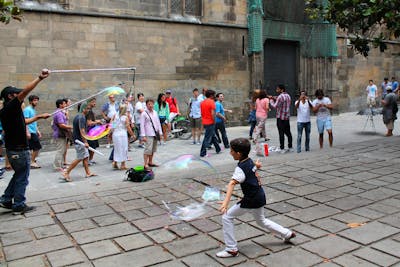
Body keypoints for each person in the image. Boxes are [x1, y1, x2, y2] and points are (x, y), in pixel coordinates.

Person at [216, 138, 296, 258]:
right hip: (259, 196)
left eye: (232, 151)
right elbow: (251, 167)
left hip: (251, 200)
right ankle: (287, 233)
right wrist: (257, 166)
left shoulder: (240, 168)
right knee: (261, 221)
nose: (230, 153)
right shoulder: (248, 160)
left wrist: (226, 203)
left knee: (227, 217)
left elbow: (232, 183)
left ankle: (231, 249)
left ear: (239, 154)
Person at [0, 69, 50, 214]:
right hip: (19, 149)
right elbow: (26, 92)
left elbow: (24, 122)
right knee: (23, 177)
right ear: (10, 96)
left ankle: (6, 199)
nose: (20, 95)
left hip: (14, 149)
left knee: (19, 174)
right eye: (17, 94)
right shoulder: (11, 106)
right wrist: (40, 78)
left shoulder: (10, 111)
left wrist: (39, 117)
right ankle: (19, 205)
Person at [62, 103, 96, 182]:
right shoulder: (82, 118)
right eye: (87, 109)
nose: (88, 110)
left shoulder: (78, 116)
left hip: (78, 140)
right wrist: (85, 142)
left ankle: (88, 173)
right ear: (83, 109)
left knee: (85, 157)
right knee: (79, 158)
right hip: (80, 142)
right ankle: (66, 172)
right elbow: (82, 131)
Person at [269, 84, 293, 153]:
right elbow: (283, 101)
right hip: (286, 117)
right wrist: (274, 98)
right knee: (288, 132)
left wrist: (271, 100)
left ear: (281, 89)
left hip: (280, 118)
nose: (276, 90)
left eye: (278, 89)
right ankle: (290, 146)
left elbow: (274, 106)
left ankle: (282, 148)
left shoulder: (280, 97)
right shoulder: (288, 96)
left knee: (281, 133)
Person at [140, 99, 162, 170]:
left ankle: (150, 162)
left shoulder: (155, 112)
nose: (150, 105)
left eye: (151, 104)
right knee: (147, 149)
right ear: (146, 105)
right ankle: (145, 164)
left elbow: (158, 123)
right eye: (149, 104)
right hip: (148, 134)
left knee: (153, 149)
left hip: (155, 133)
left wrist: (160, 133)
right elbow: (142, 125)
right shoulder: (144, 113)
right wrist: (143, 136)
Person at [23, 95, 44, 169]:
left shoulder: (33, 110)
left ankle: (32, 160)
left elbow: (34, 122)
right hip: (30, 132)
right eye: (35, 100)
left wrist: (37, 131)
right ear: (30, 101)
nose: (36, 102)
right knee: (37, 147)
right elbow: (25, 122)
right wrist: (27, 132)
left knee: (33, 147)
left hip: (33, 131)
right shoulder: (27, 110)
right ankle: (32, 162)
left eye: (37, 100)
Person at [112, 104, 134, 170]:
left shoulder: (115, 115)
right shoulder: (125, 117)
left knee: (117, 149)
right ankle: (123, 165)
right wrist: (132, 134)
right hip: (122, 134)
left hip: (115, 134)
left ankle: (115, 162)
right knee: (124, 148)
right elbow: (128, 128)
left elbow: (112, 127)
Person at [200, 89, 221, 157]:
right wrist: (214, 121)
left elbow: (202, 113)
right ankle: (203, 153)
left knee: (212, 135)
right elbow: (212, 113)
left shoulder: (202, 102)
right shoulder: (212, 102)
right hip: (210, 122)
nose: (214, 96)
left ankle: (218, 149)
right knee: (207, 137)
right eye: (214, 95)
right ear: (211, 95)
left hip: (205, 122)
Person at [52, 99, 72, 170]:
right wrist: (71, 127)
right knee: (60, 150)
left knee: (62, 150)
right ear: (60, 105)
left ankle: (61, 164)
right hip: (59, 134)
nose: (66, 105)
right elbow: (61, 125)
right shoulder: (59, 113)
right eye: (64, 104)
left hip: (62, 134)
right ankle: (57, 166)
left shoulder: (61, 112)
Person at [86, 97, 102, 165]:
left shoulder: (91, 111)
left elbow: (92, 121)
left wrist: (97, 121)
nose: (95, 103)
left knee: (94, 146)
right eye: (93, 102)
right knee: (91, 147)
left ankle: (90, 159)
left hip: (93, 131)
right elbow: (89, 123)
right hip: (90, 132)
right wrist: (97, 122)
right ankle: (88, 160)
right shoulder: (89, 111)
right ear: (89, 102)